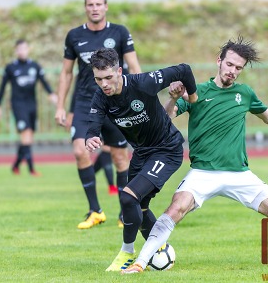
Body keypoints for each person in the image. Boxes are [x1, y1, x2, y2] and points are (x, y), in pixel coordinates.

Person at [122, 37, 268, 274]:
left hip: (240, 175)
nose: (233, 71)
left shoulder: (245, 93)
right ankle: (140, 263)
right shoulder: (196, 92)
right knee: (174, 210)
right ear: (219, 61)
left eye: (238, 68)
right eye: (230, 64)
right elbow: (165, 117)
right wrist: (172, 97)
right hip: (203, 173)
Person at [85, 47, 198, 271]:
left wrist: (193, 100)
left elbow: (184, 70)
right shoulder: (101, 96)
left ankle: (127, 253)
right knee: (139, 207)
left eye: (108, 77)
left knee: (128, 198)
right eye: (99, 79)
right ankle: (157, 248)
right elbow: (93, 124)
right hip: (142, 152)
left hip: (167, 150)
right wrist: (91, 137)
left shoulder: (143, 82)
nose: (104, 84)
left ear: (119, 71)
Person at [54, 0, 141, 229]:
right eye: (90, 4)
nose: (94, 8)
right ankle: (95, 210)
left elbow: (134, 67)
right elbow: (66, 73)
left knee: (120, 157)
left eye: (98, 4)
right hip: (84, 104)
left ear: (105, 7)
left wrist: (138, 97)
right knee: (81, 151)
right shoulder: (74, 36)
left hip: (115, 103)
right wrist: (61, 106)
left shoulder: (120, 32)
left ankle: (125, 213)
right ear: (85, 8)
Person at [0, 39, 57, 176]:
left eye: (24, 48)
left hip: (32, 105)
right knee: (26, 135)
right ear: (16, 51)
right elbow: (2, 87)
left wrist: (52, 94)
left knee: (28, 137)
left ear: (28, 50)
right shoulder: (11, 67)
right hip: (18, 105)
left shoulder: (35, 66)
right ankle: (31, 169)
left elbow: (44, 82)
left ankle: (15, 166)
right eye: (19, 49)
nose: (22, 51)